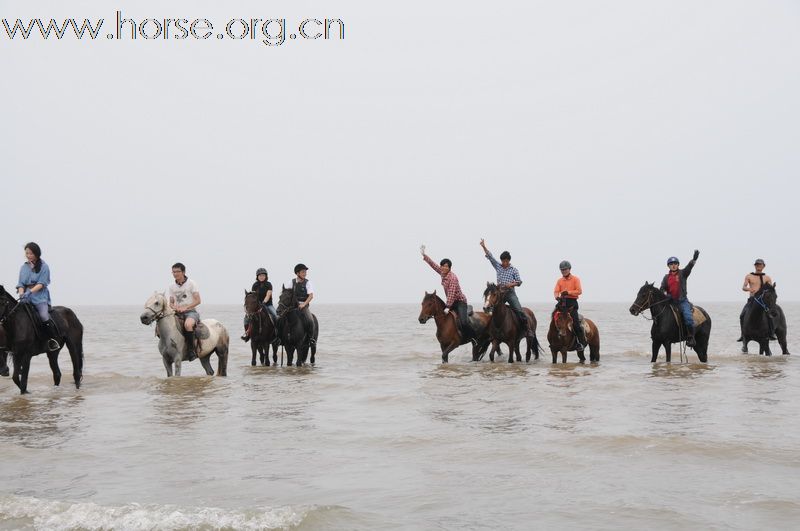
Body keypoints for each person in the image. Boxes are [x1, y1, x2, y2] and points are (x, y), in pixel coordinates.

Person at [421, 245, 474, 343]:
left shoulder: (452, 278)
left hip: (460, 302)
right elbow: (434, 265)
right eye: (443, 266)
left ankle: (473, 338)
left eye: (446, 266)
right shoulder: (442, 272)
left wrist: (446, 307)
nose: (444, 268)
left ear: (449, 268)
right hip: (452, 302)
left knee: (463, 322)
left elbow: (451, 294)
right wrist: (425, 256)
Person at [479, 238, 531, 336]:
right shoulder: (498, 266)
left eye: (506, 261)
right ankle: (490, 332)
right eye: (503, 261)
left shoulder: (514, 270)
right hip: (499, 293)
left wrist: (511, 284)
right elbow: (490, 257)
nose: (504, 263)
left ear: (509, 260)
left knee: (519, 310)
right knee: (491, 308)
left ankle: (527, 330)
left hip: (510, 293)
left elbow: (519, 282)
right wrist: (483, 246)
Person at [16, 242, 60, 351]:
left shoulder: (44, 267)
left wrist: (29, 292)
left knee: (44, 316)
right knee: (14, 315)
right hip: (25, 298)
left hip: (40, 297)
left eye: (31, 253)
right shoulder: (23, 267)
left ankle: (51, 340)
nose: (28, 255)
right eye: (27, 253)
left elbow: (41, 284)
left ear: (37, 253)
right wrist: (22, 293)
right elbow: (21, 284)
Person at [660, 250, 700, 347]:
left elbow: (689, 267)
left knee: (688, 318)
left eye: (675, 263)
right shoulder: (666, 277)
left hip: (682, 301)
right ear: (668, 266)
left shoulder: (683, 273)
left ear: (678, 265)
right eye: (671, 264)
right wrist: (666, 294)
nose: (673, 265)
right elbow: (662, 289)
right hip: (670, 302)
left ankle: (690, 337)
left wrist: (694, 259)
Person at [167, 262, 201, 361]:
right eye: (173, 272)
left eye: (177, 271)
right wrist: (175, 307)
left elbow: (198, 300)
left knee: (188, 325)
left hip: (191, 312)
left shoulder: (191, 283)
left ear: (183, 272)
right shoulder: (171, 286)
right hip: (177, 312)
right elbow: (171, 303)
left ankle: (191, 350)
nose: (175, 274)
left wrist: (185, 308)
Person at [738, 258, 777, 341]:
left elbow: (770, 290)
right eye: (757, 264)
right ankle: (743, 335)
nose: (758, 266)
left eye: (760, 264)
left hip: (763, 302)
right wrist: (749, 289)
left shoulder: (767, 277)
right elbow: (744, 287)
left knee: (770, 315)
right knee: (742, 315)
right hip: (753, 300)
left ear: (764, 266)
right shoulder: (749, 276)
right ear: (754, 266)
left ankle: (771, 333)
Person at [553, 260, 586, 349]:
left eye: (565, 269)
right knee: (554, 320)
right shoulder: (559, 281)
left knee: (575, 323)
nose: (563, 271)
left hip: (572, 303)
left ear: (569, 269)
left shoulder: (576, 279)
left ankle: (581, 343)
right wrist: (556, 297)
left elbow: (579, 291)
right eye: (562, 270)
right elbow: (556, 291)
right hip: (562, 302)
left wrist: (568, 292)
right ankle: (554, 342)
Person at [281, 264, 316, 344]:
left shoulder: (308, 283)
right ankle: (280, 337)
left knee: (310, 319)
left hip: (303, 305)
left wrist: (304, 304)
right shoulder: (291, 282)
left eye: (305, 272)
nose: (305, 273)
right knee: (281, 318)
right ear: (297, 273)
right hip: (292, 306)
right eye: (303, 272)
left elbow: (311, 296)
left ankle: (311, 338)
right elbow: (286, 293)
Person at [242, 267, 277, 342]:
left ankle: (278, 335)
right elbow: (253, 296)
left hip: (268, 304)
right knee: (246, 319)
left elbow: (268, 294)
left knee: (276, 316)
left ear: (266, 276)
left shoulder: (268, 284)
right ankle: (248, 334)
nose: (261, 277)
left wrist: (264, 302)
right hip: (257, 306)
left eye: (263, 275)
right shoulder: (255, 285)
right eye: (260, 275)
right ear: (257, 277)